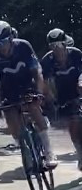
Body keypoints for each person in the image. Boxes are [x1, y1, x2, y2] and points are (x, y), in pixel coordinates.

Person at [0, 20, 57, 167]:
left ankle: (49, 152)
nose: (1, 47)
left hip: (27, 84)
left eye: (3, 42)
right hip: (8, 89)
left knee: (34, 108)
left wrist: (39, 92)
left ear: (11, 38)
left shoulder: (23, 46)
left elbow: (37, 72)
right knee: (11, 119)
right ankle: (24, 146)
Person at [40, 28, 82, 170]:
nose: (56, 49)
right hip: (64, 96)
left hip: (79, 88)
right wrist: (49, 98)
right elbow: (44, 83)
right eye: (52, 46)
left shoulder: (76, 54)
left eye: (58, 45)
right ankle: (81, 155)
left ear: (65, 44)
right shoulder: (47, 61)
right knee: (74, 126)